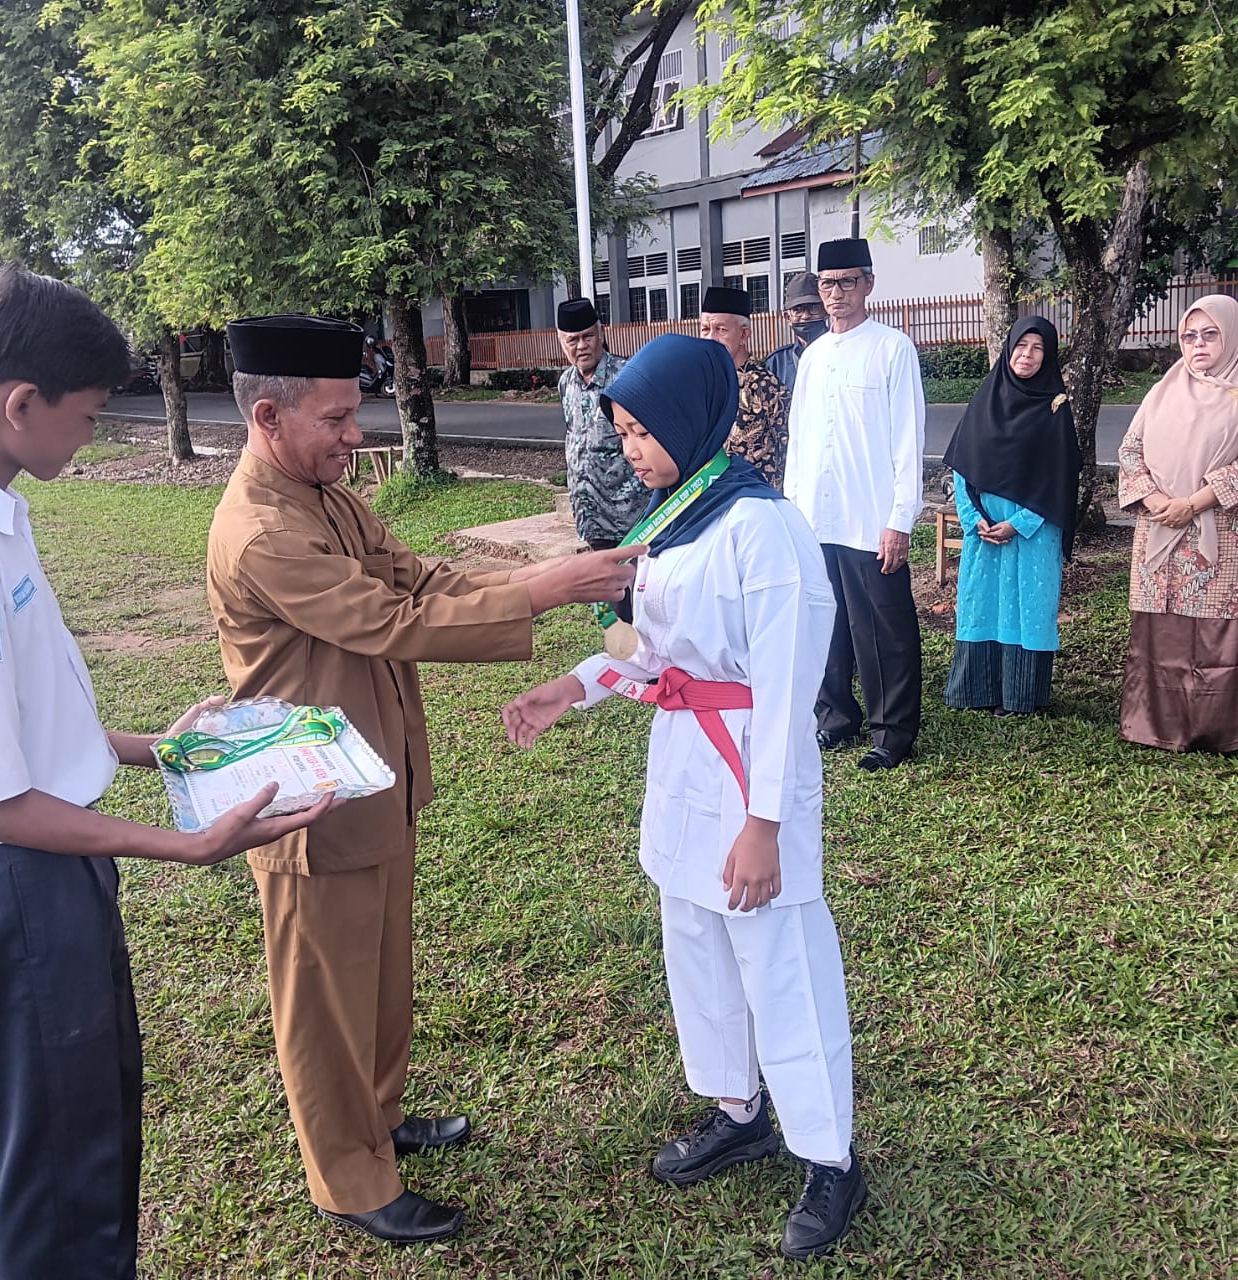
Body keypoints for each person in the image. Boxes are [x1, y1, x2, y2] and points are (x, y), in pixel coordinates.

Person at [206, 313, 641, 1247]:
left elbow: (414, 574)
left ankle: (380, 1119)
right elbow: (386, 620)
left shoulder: (325, 492)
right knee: (325, 997)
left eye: (353, 412)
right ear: (270, 415)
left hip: (375, 776)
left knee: (380, 973)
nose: (353, 435)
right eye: (334, 419)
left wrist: (524, 582)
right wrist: (541, 591)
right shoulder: (261, 530)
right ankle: (350, 1178)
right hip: (307, 802)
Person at [0, 266, 332, 1280]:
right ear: (20, 404)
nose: (88, 437)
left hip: (54, 864)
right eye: (84, 417)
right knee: (61, 1155)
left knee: (99, 1112)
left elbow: (28, 722)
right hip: (22, 880)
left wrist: (149, 747)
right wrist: (185, 841)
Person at [502, 334, 864, 1262]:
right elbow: (656, 659)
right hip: (683, 766)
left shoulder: (763, 526)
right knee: (697, 949)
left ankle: (829, 1153)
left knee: (780, 958)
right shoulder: (673, 519)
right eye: (621, 431)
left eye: (642, 430)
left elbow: (786, 689)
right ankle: (737, 1106)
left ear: (693, 420)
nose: (630, 447)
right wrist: (573, 685)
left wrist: (765, 823)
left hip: (749, 771)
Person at [785, 237, 926, 771]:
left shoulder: (892, 348)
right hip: (815, 518)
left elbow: (907, 441)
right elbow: (799, 442)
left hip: (870, 519)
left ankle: (892, 732)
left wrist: (899, 520)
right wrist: (792, 514)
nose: (836, 293)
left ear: (868, 284)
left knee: (882, 630)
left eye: (847, 281)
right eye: (827, 283)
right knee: (825, 625)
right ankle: (834, 720)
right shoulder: (815, 356)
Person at [1117, 294, 1238, 752]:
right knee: (1160, 630)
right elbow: (1130, 449)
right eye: (1190, 336)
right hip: (1159, 526)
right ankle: (1156, 725)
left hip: (1219, 532)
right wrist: (1155, 498)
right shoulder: (1164, 388)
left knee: (1214, 634)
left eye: (1211, 334)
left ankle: (1213, 729)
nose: (1199, 344)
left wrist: (1195, 501)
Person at [942, 317, 1080, 716]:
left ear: (1048, 355)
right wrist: (975, 519)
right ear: (1008, 349)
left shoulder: (1055, 409)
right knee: (982, 604)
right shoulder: (985, 399)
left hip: (1031, 532)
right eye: (1021, 346)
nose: (1027, 355)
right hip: (983, 530)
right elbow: (961, 464)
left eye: (1038, 348)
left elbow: (1061, 477)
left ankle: (1021, 697)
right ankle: (976, 692)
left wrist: (1018, 523)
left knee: (1026, 606)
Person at [556, 297, 645, 550]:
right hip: (589, 516)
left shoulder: (626, 376)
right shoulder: (566, 383)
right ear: (562, 341)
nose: (581, 346)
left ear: (601, 333)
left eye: (588, 337)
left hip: (627, 516)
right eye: (572, 340)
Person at [699, 284, 792, 489]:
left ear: (744, 335)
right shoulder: (697, 384)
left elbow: (789, 453)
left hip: (755, 501)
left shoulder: (769, 389)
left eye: (721, 330)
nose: (710, 338)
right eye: (705, 329)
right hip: (708, 501)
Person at [765, 271, 828, 391]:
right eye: (797, 310)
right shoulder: (777, 362)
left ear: (826, 311)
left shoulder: (843, 353)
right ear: (787, 317)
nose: (805, 316)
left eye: (813, 308)